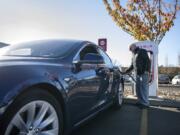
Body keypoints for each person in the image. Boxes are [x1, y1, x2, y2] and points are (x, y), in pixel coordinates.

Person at [123, 44, 151, 109]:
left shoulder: (142, 51)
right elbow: (132, 66)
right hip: (138, 74)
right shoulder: (133, 56)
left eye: (130, 48)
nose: (130, 50)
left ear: (134, 47)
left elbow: (147, 61)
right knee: (138, 89)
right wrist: (125, 72)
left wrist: (145, 71)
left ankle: (145, 104)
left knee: (144, 88)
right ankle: (140, 102)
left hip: (144, 73)